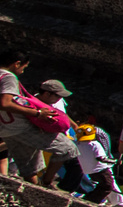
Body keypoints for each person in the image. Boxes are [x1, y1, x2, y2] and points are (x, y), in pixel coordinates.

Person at [0, 50, 76, 187]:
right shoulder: (8, 77)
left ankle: (37, 192)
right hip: (20, 126)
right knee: (68, 149)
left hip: (6, 129)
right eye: (24, 67)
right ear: (17, 64)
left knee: (29, 169)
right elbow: (5, 103)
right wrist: (37, 113)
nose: (23, 71)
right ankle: (47, 184)